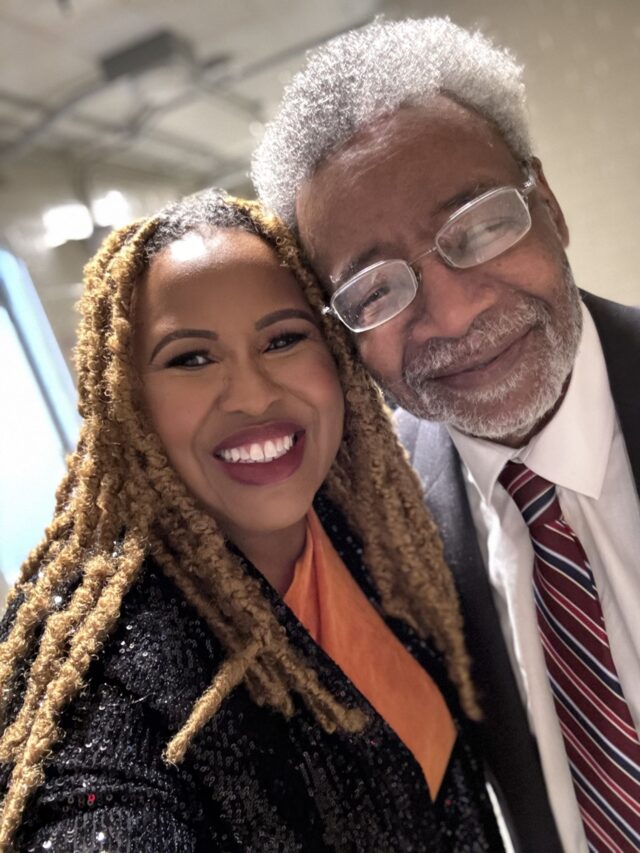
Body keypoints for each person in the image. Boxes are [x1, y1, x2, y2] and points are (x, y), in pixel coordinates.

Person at [0, 190, 505, 852]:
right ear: (127, 399)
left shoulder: (374, 531)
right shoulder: (107, 674)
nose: (253, 394)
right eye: (191, 357)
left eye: (283, 339)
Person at [252, 16, 640, 853]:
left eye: (480, 225)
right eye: (375, 288)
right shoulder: (372, 537)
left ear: (552, 206)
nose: (454, 311)